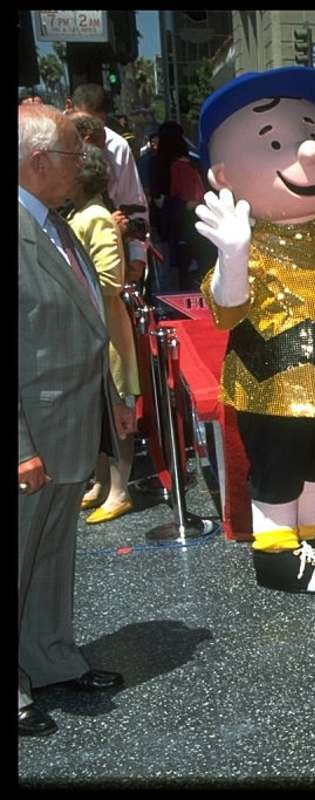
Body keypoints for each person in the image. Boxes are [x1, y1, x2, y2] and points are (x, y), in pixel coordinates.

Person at [194, 66, 315, 592]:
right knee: (280, 463)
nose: (310, 152)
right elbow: (225, 309)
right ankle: (276, 551)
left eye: (313, 133)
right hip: (275, 382)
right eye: (276, 143)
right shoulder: (250, 240)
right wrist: (233, 256)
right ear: (223, 177)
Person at [19, 103, 135, 737]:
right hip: (31, 434)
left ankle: (50, 660)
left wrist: (109, 397)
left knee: (51, 554)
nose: (85, 165)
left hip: (68, 422)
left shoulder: (55, 224)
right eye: (72, 154)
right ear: (37, 161)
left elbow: (85, 320)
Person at [68, 144, 141, 523]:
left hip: (106, 328)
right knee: (99, 413)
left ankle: (119, 489)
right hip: (93, 328)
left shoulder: (94, 216)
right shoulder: (84, 214)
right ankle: (102, 483)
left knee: (117, 414)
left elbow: (110, 280)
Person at [65, 84, 150, 284]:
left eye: (99, 123)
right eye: (85, 122)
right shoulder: (48, 141)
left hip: (110, 255)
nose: (92, 130)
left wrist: (137, 255)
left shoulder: (116, 146)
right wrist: (105, 226)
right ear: (69, 107)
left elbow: (133, 201)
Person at [152, 120, 208, 290]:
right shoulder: (194, 162)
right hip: (198, 224)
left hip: (169, 230)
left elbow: (158, 200)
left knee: (172, 278)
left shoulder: (156, 163)